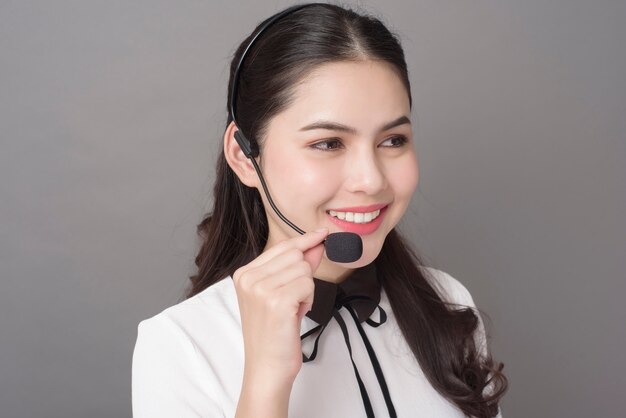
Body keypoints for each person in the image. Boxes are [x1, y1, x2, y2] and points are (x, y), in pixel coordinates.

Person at [131, 3, 508, 417]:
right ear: (244, 157)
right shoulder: (181, 345)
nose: (371, 180)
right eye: (328, 143)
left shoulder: (448, 302)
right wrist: (266, 379)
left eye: (393, 140)